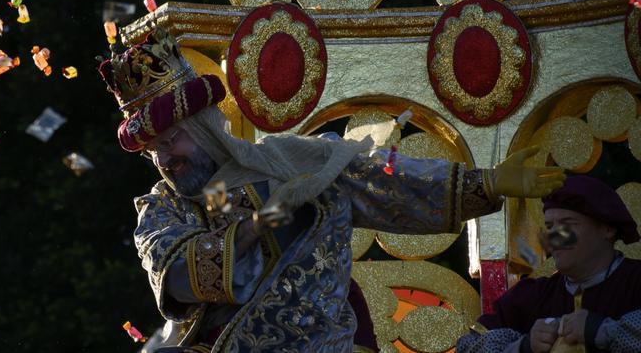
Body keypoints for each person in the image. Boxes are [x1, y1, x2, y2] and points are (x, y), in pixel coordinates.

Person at [99, 28, 565, 353]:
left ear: (202, 129)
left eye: (170, 141)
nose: (163, 158)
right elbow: (173, 273)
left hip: (322, 343)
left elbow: (389, 184)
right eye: (152, 150)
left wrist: (486, 183)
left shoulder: (292, 162)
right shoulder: (163, 205)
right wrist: (258, 226)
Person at [456, 175, 641, 353]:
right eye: (550, 226)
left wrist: (603, 331)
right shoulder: (529, 296)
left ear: (607, 229)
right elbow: (467, 346)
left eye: (568, 224)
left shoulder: (635, 282)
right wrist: (524, 346)